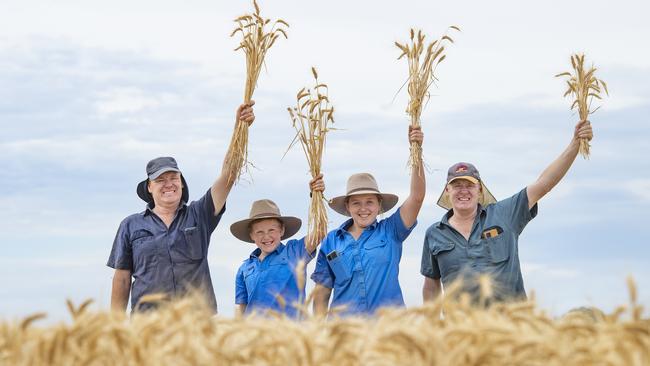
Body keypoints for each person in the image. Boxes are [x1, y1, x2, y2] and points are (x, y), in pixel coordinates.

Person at [421, 120, 593, 303]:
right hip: (461, 330)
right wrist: (431, 323)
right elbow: (431, 285)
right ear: (447, 191)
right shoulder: (434, 234)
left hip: (512, 326)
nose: (463, 191)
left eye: (469, 185)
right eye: (456, 186)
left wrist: (575, 143)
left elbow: (544, 184)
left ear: (479, 190)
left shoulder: (504, 214)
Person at [107, 102, 256, 313]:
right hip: (147, 328)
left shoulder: (200, 214)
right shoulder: (130, 225)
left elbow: (229, 175)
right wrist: (114, 327)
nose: (168, 184)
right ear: (149, 187)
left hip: (196, 325)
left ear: (181, 182)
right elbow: (121, 279)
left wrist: (240, 129)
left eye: (173, 177)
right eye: (160, 180)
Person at [311, 126, 426, 316]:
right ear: (347, 207)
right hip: (344, 334)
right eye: (356, 203)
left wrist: (417, 151)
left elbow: (417, 197)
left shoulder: (391, 231)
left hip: (388, 332)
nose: (363, 208)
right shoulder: (331, 241)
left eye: (369, 202)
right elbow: (322, 292)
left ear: (379, 205)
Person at [231, 174, 325, 318]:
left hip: (291, 335)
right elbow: (241, 309)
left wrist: (316, 195)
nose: (266, 237)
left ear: (281, 230)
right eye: (260, 232)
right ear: (252, 235)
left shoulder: (294, 252)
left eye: (272, 230)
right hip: (256, 336)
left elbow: (320, 231)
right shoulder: (244, 269)